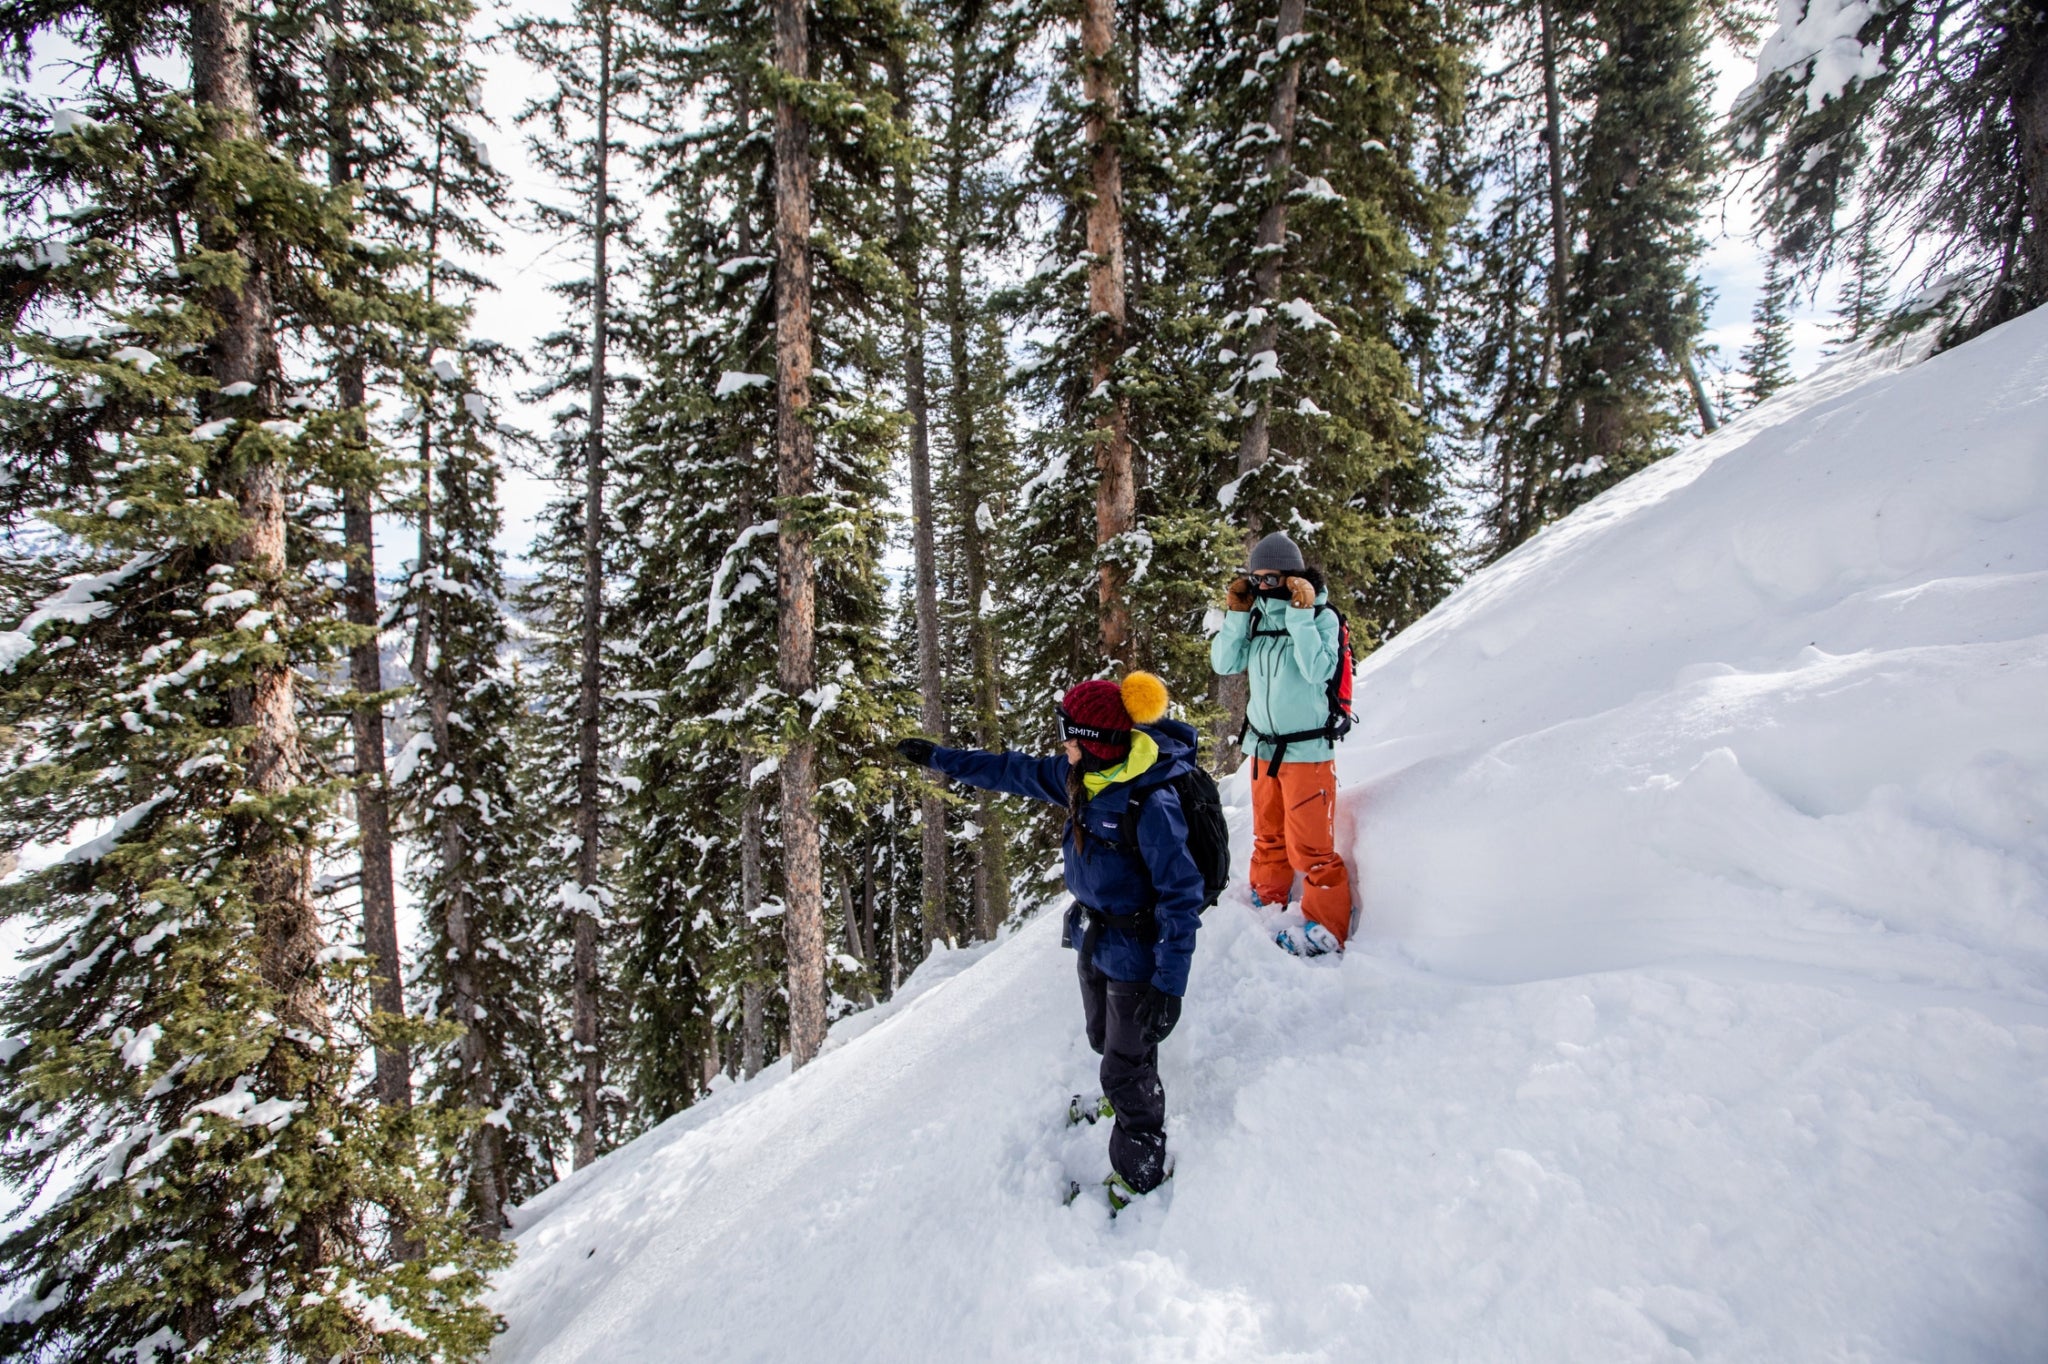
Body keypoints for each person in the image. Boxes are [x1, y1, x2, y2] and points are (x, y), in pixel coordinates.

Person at [895, 671, 1204, 1206]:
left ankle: (1140, 1171)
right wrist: (941, 759)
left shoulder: (1150, 803)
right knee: (1103, 1036)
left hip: (1137, 947)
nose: (1061, 744)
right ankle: (1124, 1089)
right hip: (1095, 936)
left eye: (1068, 733)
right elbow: (1009, 770)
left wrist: (1169, 984)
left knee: (1124, 1062)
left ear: (1093, 739)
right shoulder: (1080, 773)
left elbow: (1181, 895)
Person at [1211, 530, 1356, 957]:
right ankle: (1266, 896)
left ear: (1294, 578)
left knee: (1312, 849)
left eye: (1271, 578)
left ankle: (1327, 928)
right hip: (1262, 750)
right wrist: (1237, 613)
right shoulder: (1254, 617)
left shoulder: (1322, 618)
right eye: (1254, 578)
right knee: (1269, 836)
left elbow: (1317, 671)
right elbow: (1224, 663)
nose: (1262, 586)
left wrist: (1302, 614)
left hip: (1308, 753)